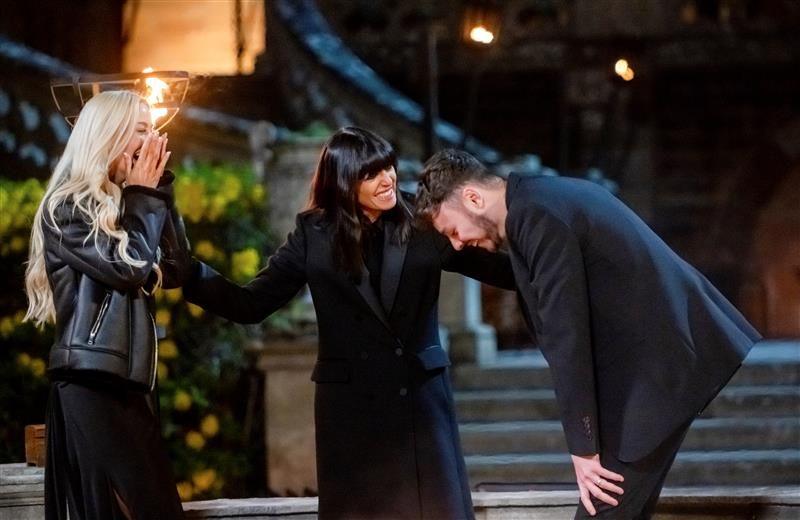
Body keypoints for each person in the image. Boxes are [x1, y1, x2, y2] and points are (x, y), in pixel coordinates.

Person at [183, 127, 515, 519]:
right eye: (371, 174)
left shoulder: (426, 220)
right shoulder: (313, 234)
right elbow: (251, 304)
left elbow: (503, 271)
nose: (388, 178)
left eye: (388, 166)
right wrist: (189, 274)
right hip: (351, 413)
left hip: (419, 406)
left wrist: (556, 252)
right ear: (343, 182)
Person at [414, 149, 761, 520]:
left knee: (604, 510)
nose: (457, 241)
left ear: (473, 197)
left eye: (453, 231)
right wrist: (440, 252)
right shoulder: (537, 200)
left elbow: (567, 335)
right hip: (654, 366)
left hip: (661, 369)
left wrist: (583, 448)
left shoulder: (538, 215)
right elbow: (521, 274)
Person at [24, 90, 190, 520]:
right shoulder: (67, 207)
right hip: (90, 386)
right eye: (140, 129)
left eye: (153, 127)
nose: (152, 137)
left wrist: (159, 190)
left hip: (131, 389)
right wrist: (142, 196)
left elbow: (174, 270)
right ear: (108, 135)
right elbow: (129, 268)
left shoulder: (130, 204)